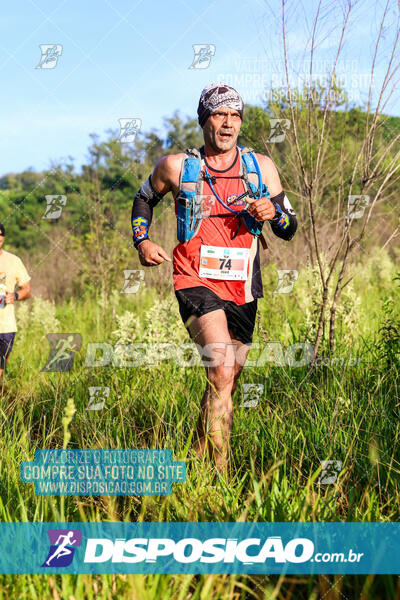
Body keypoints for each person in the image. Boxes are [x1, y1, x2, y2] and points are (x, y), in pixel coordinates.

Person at [131, 83, 297, 473]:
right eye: (219, 115)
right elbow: (144, 199)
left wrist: (274, 214)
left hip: (243, 282)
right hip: (194, 278)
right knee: (222, 368)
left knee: (225, 380)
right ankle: (221, 477)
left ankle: (197, 457)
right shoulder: (175, 166)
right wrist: (142, 240)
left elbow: (290, 227)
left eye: (235, 115)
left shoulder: (263, 167)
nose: (228, 123)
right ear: (204, 119)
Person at [0, 223, 31, 386]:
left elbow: (27, 289)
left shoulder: (13, 261)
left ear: (3, 238)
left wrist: (16, 295)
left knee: (0, 367)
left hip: (6, 325)